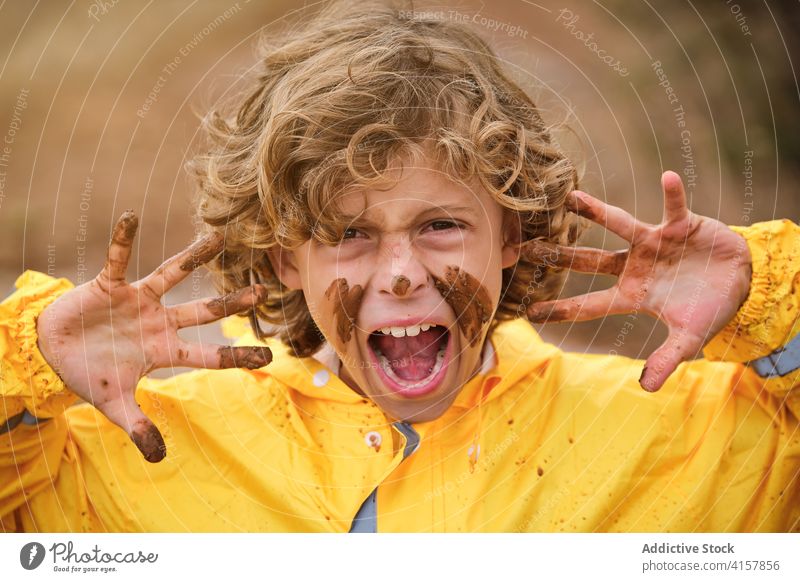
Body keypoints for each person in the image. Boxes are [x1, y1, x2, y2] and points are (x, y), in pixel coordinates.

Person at [1, 0, 798, 533]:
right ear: (285, 257)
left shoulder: (664, 435)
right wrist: (27, 365)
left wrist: (768, 302)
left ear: (513, 235)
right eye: (349, 234)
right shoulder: (143, 450)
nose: (402, 273)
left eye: (442, 224)